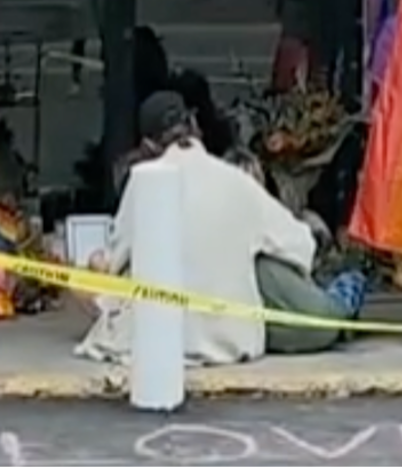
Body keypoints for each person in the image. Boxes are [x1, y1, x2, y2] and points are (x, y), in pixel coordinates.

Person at [76, 92, 361, 365]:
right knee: (301, 276)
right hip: (231, 342)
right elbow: (301, 244)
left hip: (156, 341)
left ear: (148, 146)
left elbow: (113, 264)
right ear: (195, 126)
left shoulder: (141, 184)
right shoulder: (236, 181)